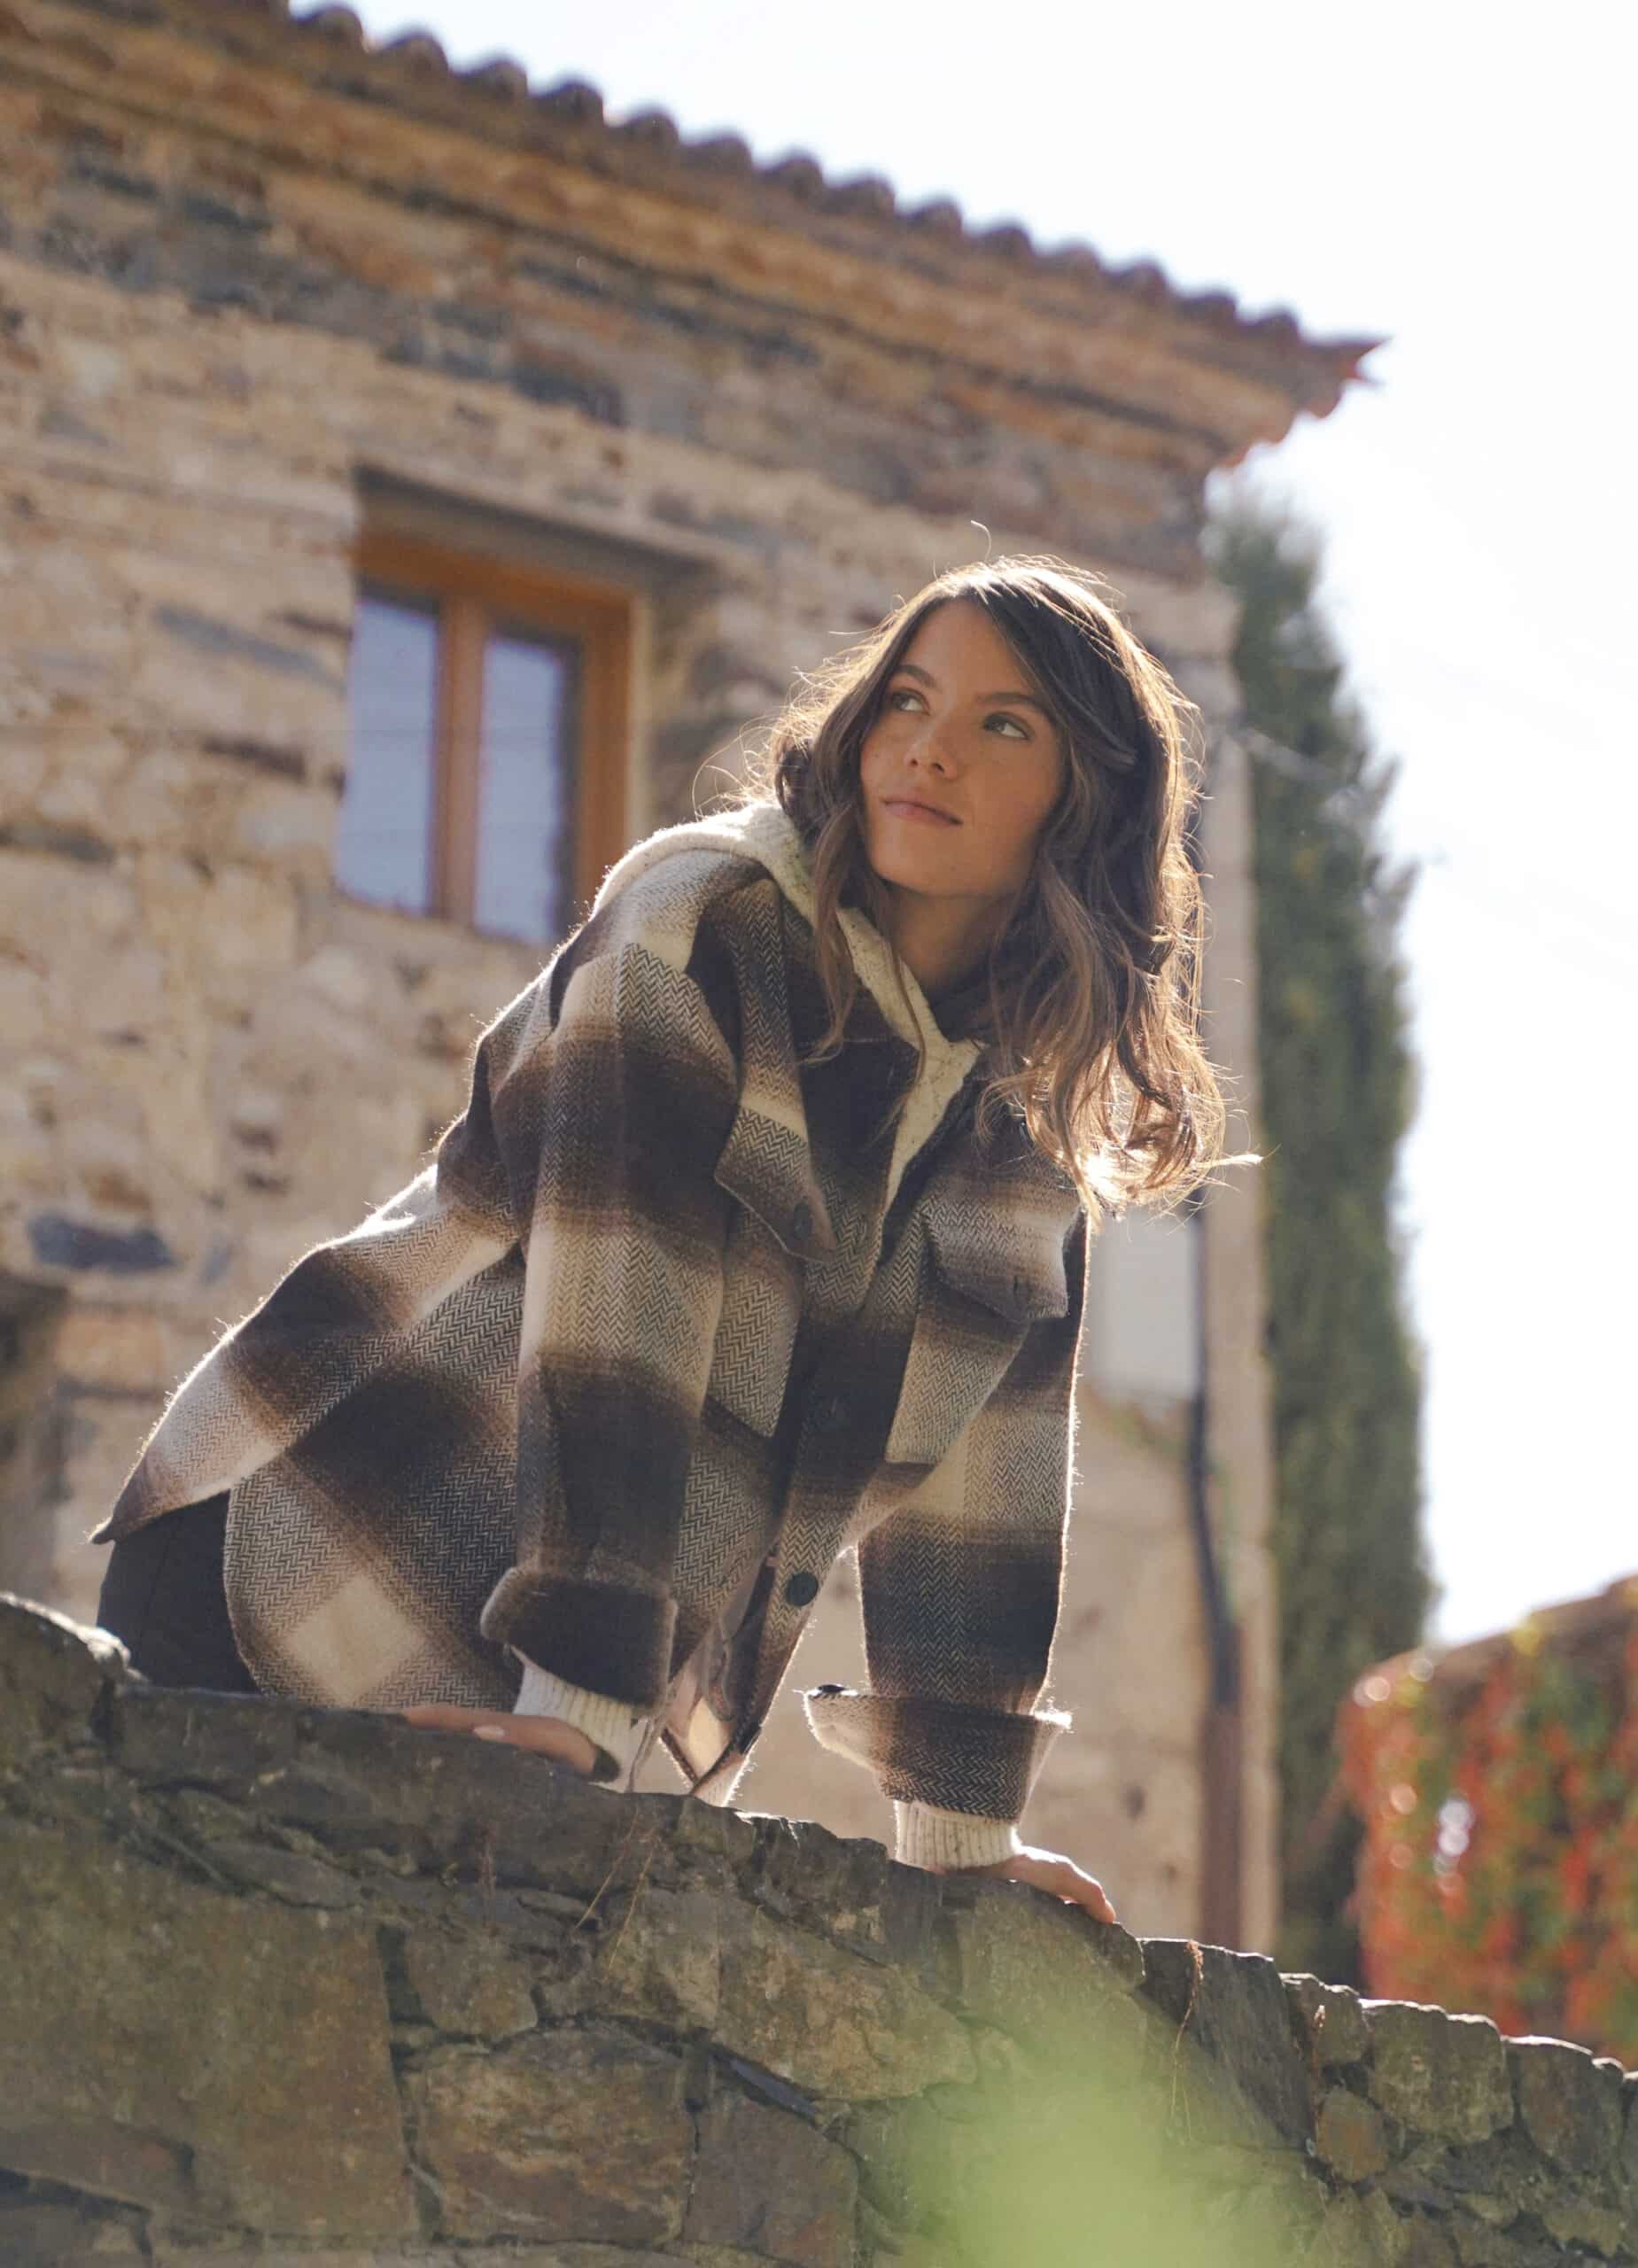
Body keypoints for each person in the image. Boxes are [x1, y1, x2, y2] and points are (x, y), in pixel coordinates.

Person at [92, 555, 1244, 1927]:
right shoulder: (701, 926)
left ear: (1086, 799)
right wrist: (582, 1695)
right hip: (296, 1569)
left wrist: (960, 1834)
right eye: (907, 698)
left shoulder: (1019, 1138)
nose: (928, 747)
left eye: (1003, 724)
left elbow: (987, 1499)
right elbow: (621, 1310)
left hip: (524, 1706)